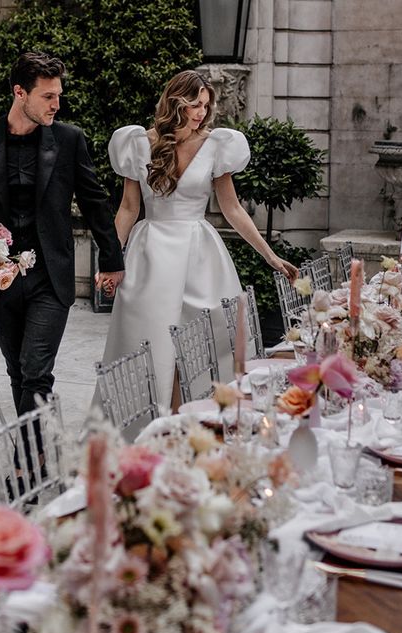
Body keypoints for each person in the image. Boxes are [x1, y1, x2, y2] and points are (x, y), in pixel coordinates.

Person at [98, 70, 298, 408]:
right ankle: (149, 425)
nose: (201, 113)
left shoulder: (216, 145)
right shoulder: (136, 143)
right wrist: (110, 260)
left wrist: (270, 257)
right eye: (194, 104)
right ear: (175, 103)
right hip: (151, 256)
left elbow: (232, 209)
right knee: (149, 343)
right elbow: (129, 209)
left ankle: (195, 420)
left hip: (199, 254)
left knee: (205, 344)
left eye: (205, 105)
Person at [0, 52, 125, 421]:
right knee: (18, 371)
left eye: (58, 95)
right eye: (48, 96)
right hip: (0, 278)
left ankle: (27, 461)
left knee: (36, 369)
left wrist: (112, 259)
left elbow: (95, 202)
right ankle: (39, 448)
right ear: (20, 93)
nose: (57, 104)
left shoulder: (68, 140)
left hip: (50, 274)